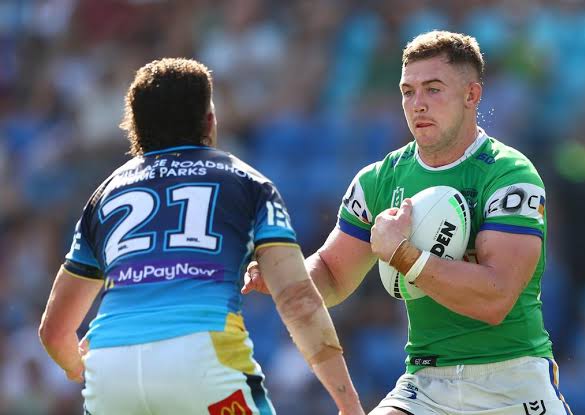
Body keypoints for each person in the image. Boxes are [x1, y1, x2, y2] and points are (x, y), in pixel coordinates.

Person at [244, 31, 572, 415]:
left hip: (512, 381)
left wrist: (403, 255)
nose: (418, 104)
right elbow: (332, 275)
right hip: (427, 382)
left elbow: (495, 299)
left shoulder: (510, 175)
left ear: (471, 95)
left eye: (433, 89)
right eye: (407, 92)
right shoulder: (379, 180)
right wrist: (287, 278)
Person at [38, 58, 364, 415]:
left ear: (134, 127)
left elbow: (54, 332)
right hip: (202, 360)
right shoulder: (248, 183)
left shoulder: (105, 195)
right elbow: (298, 299)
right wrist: (348, 404)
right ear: (209, 121)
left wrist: (79, 368)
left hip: (110, 368)